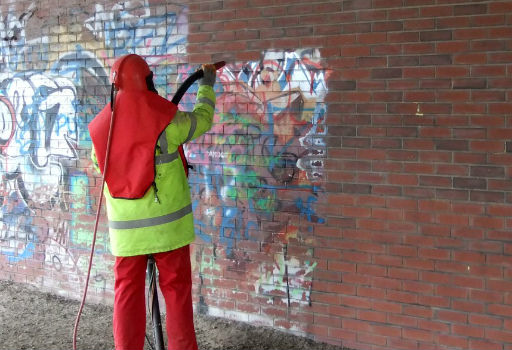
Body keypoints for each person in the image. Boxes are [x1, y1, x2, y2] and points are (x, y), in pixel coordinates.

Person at [88, 54, 217, 350]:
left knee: (126, 294)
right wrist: (207, 86)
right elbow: (202, 120)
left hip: (127, 236)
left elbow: (98, 162)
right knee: (176, 292)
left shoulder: (100, 128)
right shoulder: (166, 119)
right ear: (147, 80)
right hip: (168, 231)